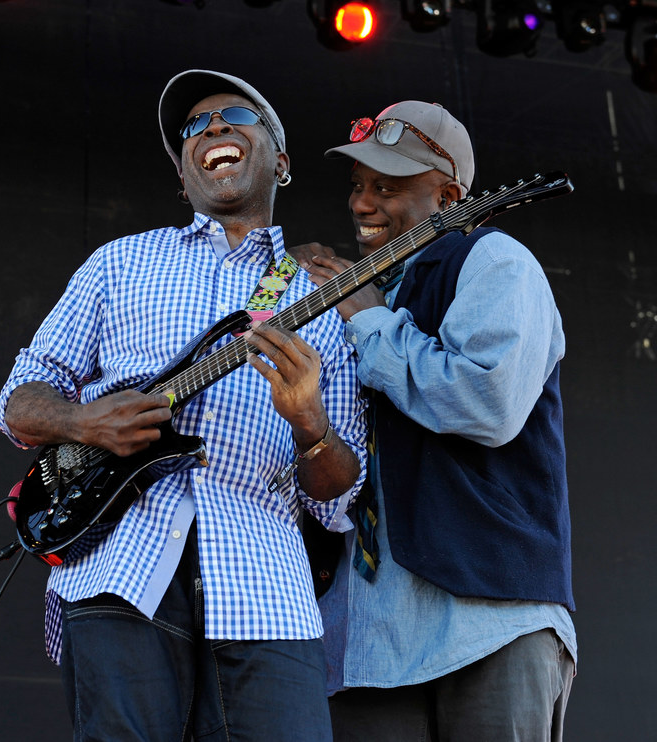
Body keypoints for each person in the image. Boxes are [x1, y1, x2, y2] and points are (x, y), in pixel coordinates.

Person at [0, 69, 367, 741]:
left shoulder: (317, 300)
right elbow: (18, 401)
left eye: (234, 117)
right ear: (183, 175)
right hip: (122, 563)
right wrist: (83, 420)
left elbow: (336, 500)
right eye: (193, 128)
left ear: (280, 163)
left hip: (267, 592)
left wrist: (310, 422)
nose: (213, 129)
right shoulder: (120, 263)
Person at [296, 100, 577, 741]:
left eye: (387, 188)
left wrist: (368, 321)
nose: (361, 205)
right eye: (358, 186)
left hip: (489, 619)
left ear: (449, 195)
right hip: (365, 638)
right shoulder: (357, 297)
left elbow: (488, 401)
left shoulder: (494, 260)